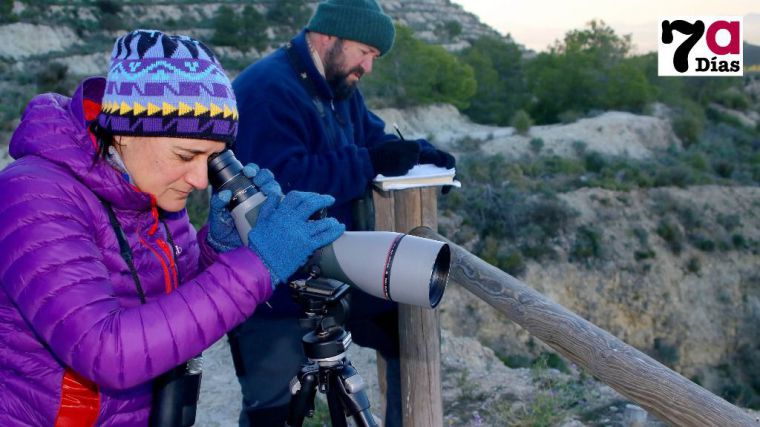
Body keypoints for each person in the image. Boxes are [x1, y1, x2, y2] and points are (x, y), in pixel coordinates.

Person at [0, 29, 344, 426]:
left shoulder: (152, 190)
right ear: (127, 131)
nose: (200, 179)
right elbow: (106, 352)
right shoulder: (33, 196)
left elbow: (173, 320)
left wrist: (219, 250)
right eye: (186, 155)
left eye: (213, 158)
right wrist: (258, 265)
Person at [231, 0, 457, 425]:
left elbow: (374, 139)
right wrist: (371, 162)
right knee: (273, 413)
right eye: (364, 52)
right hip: (272, 286)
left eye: (374, 57)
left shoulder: (336, 87)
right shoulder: (268, 89)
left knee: (406, 323)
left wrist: (422, 153)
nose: (368, 66)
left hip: (331, 272)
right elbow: (282, 185)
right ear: (328, 36)